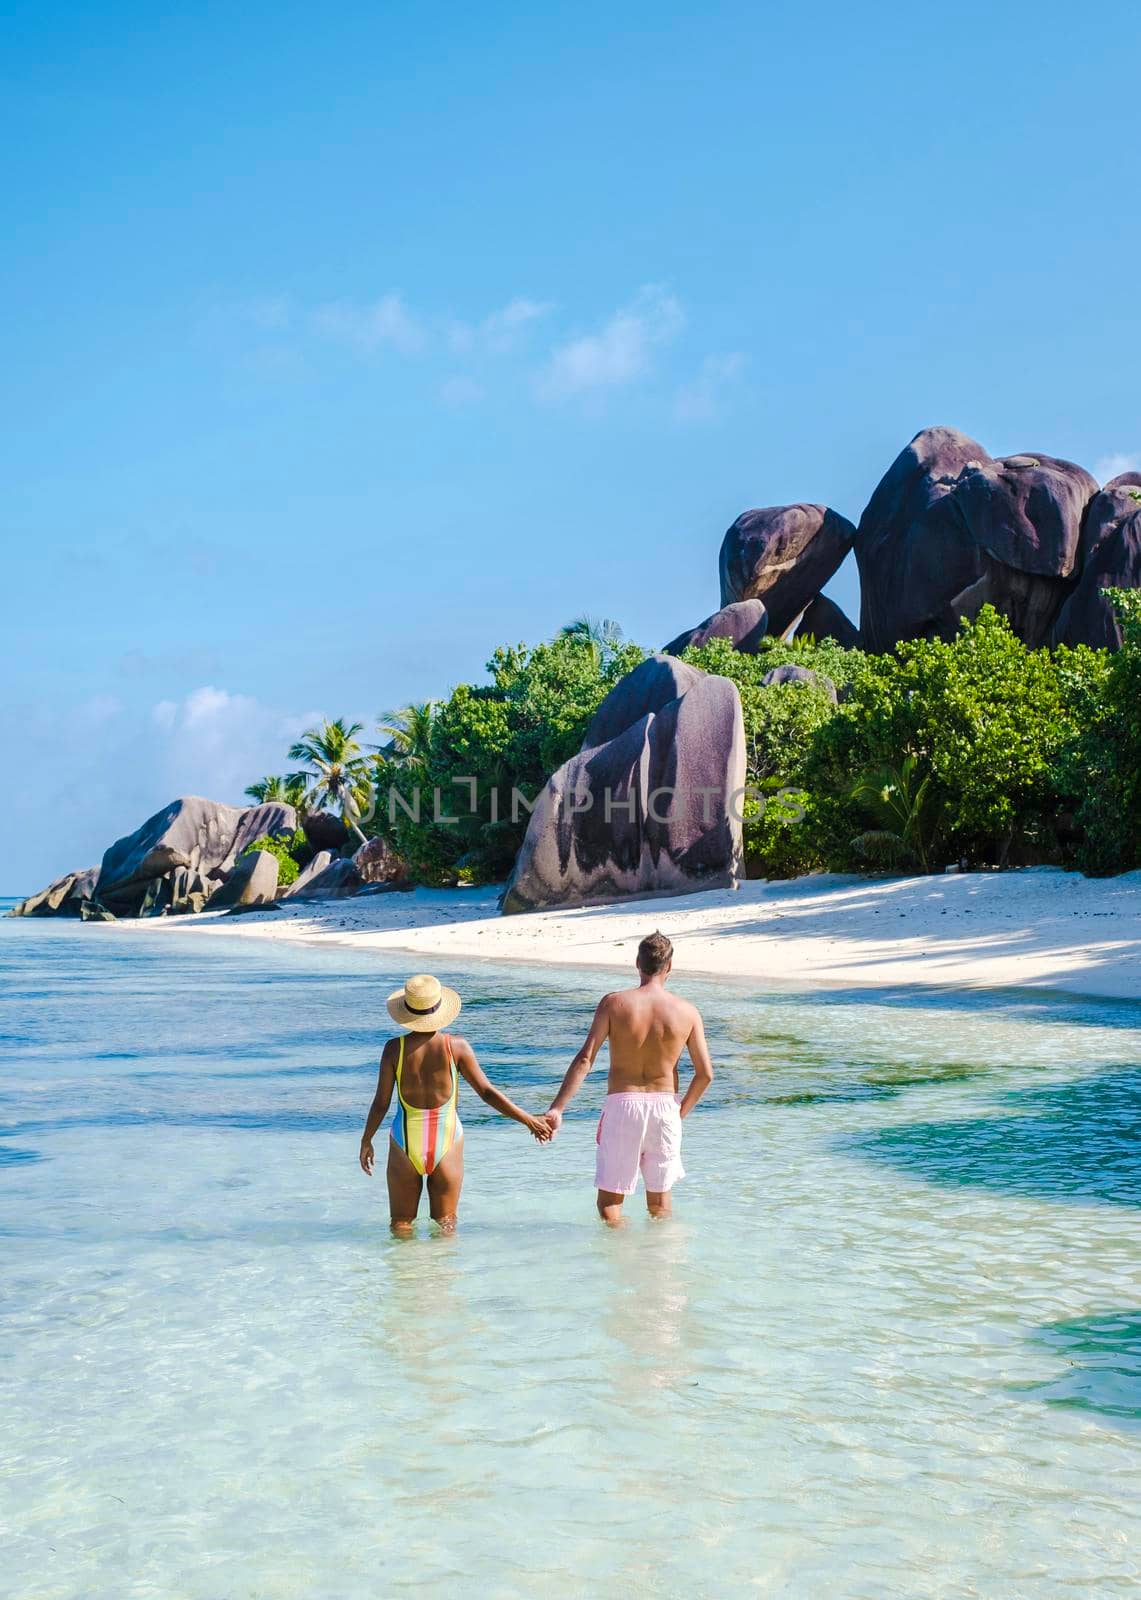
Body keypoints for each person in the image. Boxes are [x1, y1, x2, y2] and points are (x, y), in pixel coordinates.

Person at [360, 973, 552, 1233]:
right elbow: (487, 1092)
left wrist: (366, 1140)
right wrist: (528, 1120)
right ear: (439, 1008)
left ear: (407, 1011)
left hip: (405, 1140)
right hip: (446, 1139)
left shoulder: (394, 1049)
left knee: (401, 1225)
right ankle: (441, 1273)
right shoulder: (456, 1047)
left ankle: (403, 1274)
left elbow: (381, 1102)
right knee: (446, 1226)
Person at [545, 931, 713, 1224]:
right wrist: (679, 1113)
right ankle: (658, 1264)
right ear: (669, 967)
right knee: (660, 1206)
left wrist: (557, 1107)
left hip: (623, 1106)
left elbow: (586, 1059)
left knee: (610, 1204)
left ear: (637, 963)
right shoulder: (687, 1012)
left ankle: (622, 1260)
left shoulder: (614, 1004)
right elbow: (705, 1075)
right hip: (665, 1109)